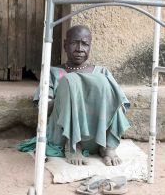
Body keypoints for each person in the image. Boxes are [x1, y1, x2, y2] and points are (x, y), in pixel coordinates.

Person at [20, 25, 130, 166]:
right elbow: (43, 110)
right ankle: (73, 145)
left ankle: (108, 147)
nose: (79, 48)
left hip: (97, 137)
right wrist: (68, 97)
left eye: (85, 44)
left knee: (106, 87)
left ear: (90, 47)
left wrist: (96, 100)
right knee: (70, 81)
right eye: (74, 43)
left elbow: (122, 106)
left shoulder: (102, 72)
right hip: (63, 135)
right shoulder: (52, 72)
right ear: (65, 45)